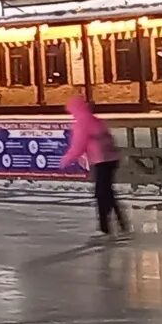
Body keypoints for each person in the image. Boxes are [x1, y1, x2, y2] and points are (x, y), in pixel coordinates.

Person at [61, 89, 125, 235]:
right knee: (107, 192)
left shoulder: (82, 123)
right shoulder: (94, 119)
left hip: (101, 159)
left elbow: (79, 145)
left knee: (101, 194)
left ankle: (104, 227)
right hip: (112, 158)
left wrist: (67, 159)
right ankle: (121, 223)